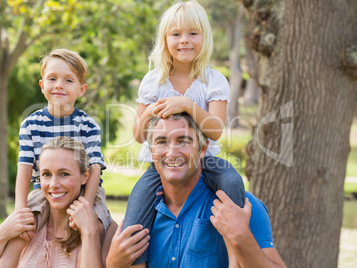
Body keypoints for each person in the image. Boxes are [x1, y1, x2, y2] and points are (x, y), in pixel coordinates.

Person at [123, 0, 244, 264]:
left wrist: (188, 106)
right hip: (161, 166)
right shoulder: (154, 80)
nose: (184, 41)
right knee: (138, 200)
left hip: (205, 160)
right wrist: (151, 112)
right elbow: (138, 135)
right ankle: (138, 261)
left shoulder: (213, 80)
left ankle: (236, 253)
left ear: (205, 37)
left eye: (193, 33)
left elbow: (215, 131)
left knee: (233, 181)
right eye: (176, 34)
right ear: (165, 40)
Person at [107, 113, 287, 268]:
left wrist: (241, 236)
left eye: (183, 141)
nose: (172, 153)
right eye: (161, 142)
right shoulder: (143, 215)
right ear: (152, 151)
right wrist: (114, 264)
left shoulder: (240, 209)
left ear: (202, 149)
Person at [15, 49, 112, 238]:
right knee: (22, 230)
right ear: (42, 86)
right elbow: (25, 167)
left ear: (81, 89)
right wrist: (20, 208)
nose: (59, 85)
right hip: (44, 190)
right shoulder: (30, 125)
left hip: (85, 190)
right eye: (52, 79)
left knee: (96, 229)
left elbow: (94, 167)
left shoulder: (88, 125)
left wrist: (85, 205)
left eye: (68, 80)